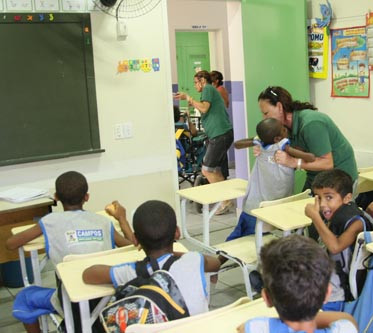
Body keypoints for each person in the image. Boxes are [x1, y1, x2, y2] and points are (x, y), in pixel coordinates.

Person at [6, 171, 136, 333]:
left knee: (24, 298)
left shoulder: (48, 222)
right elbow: (132, 247)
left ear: (56, 197)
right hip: (107, 298)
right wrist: (121, 219)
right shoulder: (103, 222)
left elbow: (11, 244)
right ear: (87, 197)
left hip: (69, 300)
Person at [82, 200, 221, 317]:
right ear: (177, 233)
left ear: (136, 240)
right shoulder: (193, 260)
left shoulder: (131, 271)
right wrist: (177, 254)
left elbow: (88, 274)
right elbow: (215, 263)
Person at [238, 235, 358, 333]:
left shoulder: (257, 327)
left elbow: (243, 329)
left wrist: (293, 312)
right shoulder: (345, 329)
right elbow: (347, 319)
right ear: (327, 293)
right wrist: (304, 312)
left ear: (266, 298)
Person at [226, 118, 314, 241]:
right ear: (277, 138)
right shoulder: (283, 146)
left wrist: (255, 140)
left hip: (256, 205)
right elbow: (310, 158)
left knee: (241, 234)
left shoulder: (259, 144)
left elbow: (237, 144)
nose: (286, 130)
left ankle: (220, 258)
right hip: (280, 205)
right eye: (283, 129)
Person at [257, 86, 358, 192]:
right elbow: (284, 156)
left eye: (266, 113)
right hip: (317, 177)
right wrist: (263, 151)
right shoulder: (284, 129)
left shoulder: (311, 123)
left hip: (340, 180)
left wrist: (294, 162)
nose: (264, 119)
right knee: (301, 206)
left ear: (279, 107)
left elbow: (327, 163)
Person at [305, 169, 367, 311]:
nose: (322, 204)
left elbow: (335, 247)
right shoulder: (338, 214)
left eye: (329, 197)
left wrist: (315, 217)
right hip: (327, 274)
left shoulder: (355, 221)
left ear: (347, 198)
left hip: (337, 291)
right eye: (318, 197)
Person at [175, 70, 234, 214]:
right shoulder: (207, 93)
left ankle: (225, 201)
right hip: (221, 134)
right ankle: (225, 200)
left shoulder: (208, 88)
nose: (195, 85)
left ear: (202, 81)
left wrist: (188, 98)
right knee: (215, 170)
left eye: (196, 82)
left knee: (206, 169)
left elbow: (204, 108)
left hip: (220, 135)